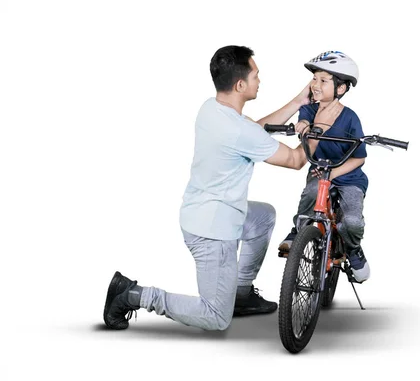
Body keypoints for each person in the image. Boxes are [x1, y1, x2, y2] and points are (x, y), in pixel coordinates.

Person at [103, 45, 342, 331]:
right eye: (256, 76)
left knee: (264, 216)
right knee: (215, 317)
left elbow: (256, 128)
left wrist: (298, 101)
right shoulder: (239, 131)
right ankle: (130, 294)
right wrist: (320, 126)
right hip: (213, 233)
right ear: (240, 85)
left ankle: (240, 293)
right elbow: (295, 160)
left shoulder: (213, 108)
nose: (259, 81)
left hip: (202, 211)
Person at [278, 51, 371, 283]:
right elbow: (306, 120)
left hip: (348, 177)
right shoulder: (310, 109)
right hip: (320, 170)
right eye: (314, 79)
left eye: (323, 80)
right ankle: (299, 230)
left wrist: (334, 174)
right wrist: (303, 124)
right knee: (310, 193)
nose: (315, 84)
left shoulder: (350, 118)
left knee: (351, 222)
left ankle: (352, 248)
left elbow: (359, 158)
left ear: (340, 88)